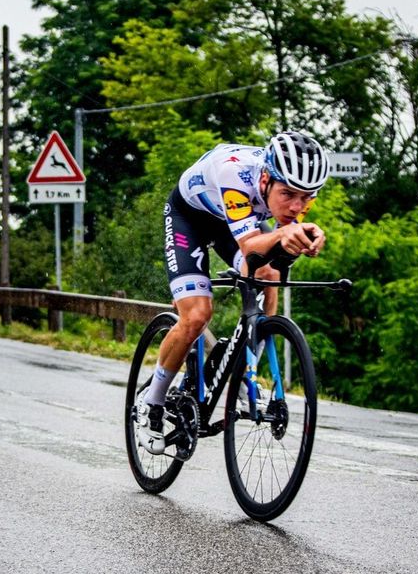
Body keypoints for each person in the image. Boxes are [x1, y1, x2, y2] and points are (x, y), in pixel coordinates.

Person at [138, 130, 330, 454]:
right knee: (197, 315)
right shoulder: (235, 173)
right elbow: (250, 245)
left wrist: (304, 238)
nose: (297, 206)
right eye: (288, 194)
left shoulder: (286, 195)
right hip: (191, 219)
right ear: (266, 178)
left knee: (269, 272)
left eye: (307, 197)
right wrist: (287, 235)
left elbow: (272, 248)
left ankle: (243, 367)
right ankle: (152, 401)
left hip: (237, 220)